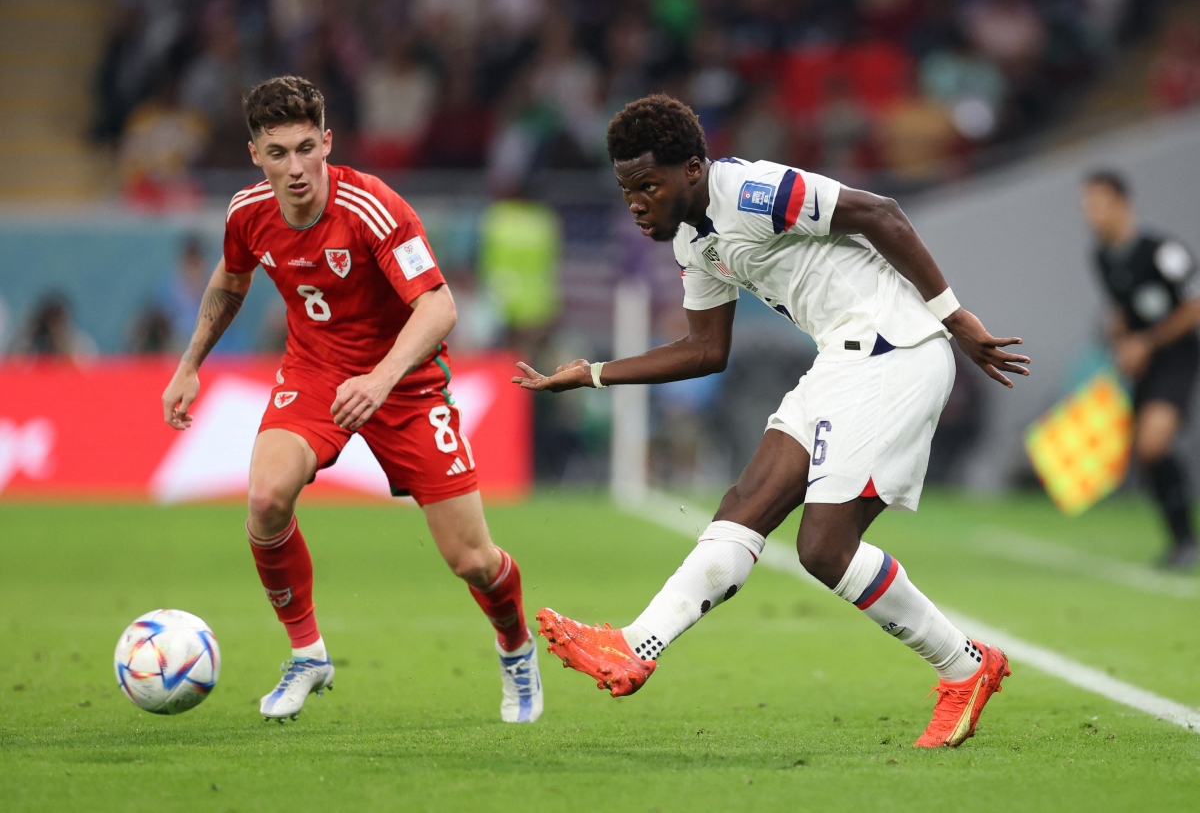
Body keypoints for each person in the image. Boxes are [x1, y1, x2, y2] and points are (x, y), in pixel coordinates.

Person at [513, 95, 1031, 748]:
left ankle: (964, 664)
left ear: (692, 170)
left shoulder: (752, 191)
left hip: (892, 350)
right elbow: (706, 350)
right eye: (627, 190)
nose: (637, 203)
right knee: (746, 504)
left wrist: (955, 318)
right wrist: (593, 373)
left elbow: (880, 212)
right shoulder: (693, 242)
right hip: (841, 360)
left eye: (649, 185)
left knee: (824, 548)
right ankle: (635, 646)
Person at [161, 76, 543, 723]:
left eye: (305, 148)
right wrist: (189, 364)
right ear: (255, 154)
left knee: (472, 559)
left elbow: (439, 306)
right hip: (314, 372)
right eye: (277, 152)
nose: (295, 167)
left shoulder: (373, 207)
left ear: (327, 142)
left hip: (406, 383)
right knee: (265, 500)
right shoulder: (247, 212)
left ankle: (515, 647)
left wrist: (381, 379)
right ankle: (307, 653)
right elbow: (231, 278)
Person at [1081, 170, 1200, 569]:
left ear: (1122, 204)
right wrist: (1118, 340)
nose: (1091, 214)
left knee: (1153, 443)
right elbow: (1122, 310)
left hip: (1176, 358)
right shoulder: (1102, 256)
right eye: (1087, 206)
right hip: (1140, 364)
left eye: (1099, 204)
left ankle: (1186, 540)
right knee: (1148, 456)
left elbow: (1194, 306)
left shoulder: (1163, 251)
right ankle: (1181, 541)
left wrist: (1146, 342)